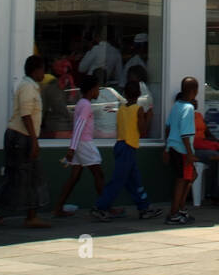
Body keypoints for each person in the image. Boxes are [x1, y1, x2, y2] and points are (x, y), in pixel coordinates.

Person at [0, 55, 51, 228]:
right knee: (17, 177)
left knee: (32, 177)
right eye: (42, 69)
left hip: (24, 137)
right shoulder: (27, 88)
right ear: (35, 70)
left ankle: (32, 215)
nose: (44, 73)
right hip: (21, 137)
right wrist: (34, 141)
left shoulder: (31, 87)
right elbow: (26, 115)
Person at [92, 80, 161, 221]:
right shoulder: (138, 109)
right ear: (139, 94)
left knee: (134, 180)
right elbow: (142, 130)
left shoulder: (122, 108)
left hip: (120, 145)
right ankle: (100, 207)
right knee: (118, 181)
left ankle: (144, 207)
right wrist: (149, 117)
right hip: (129, 148)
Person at [52, 73, 106, 216]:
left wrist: (73, 148)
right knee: (99, 174)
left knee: (74, 177)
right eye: (97, 89)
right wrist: (72, 148)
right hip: (84, 144)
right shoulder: (86, 105)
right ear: (91, 89)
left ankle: (58, 207)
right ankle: (104, 207)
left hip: (79, 145)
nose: (98, 92)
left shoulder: (81, 103)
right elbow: (79, 127)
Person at [162, 77, 198, 224]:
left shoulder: (177, 105)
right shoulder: (188, 108)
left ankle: (181, 209)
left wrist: (166, 148)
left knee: (191, 176)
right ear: (194, 91)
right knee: (182, 180)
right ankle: (173, 213)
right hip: (183, 150)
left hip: (173, 148)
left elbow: (168, 127)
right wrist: (190, 154)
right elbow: (185, 134)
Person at [40, 58, 72, 138]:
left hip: (54, 130)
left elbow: (42, 110)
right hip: (70, 130)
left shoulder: (48, 89)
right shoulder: (74, 88)